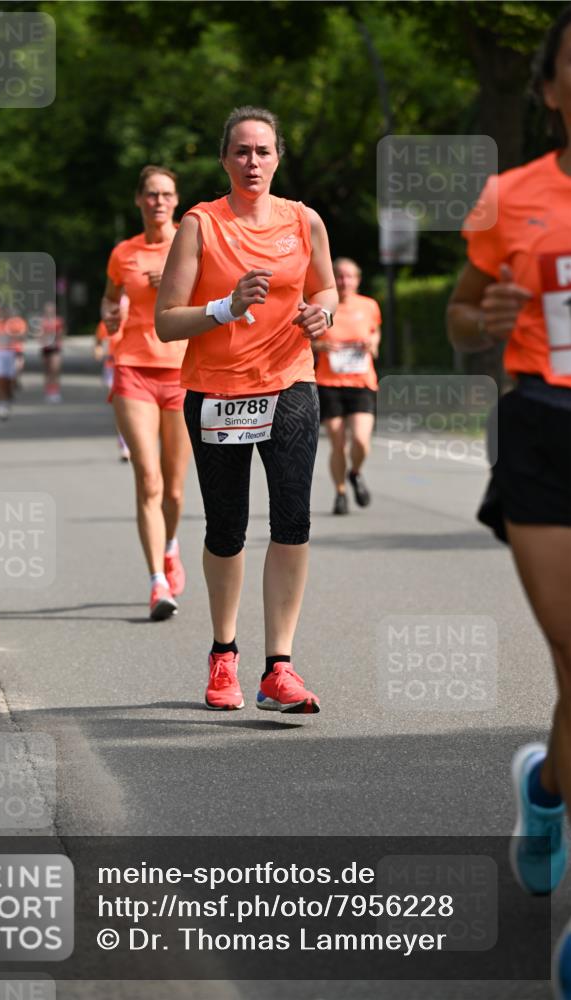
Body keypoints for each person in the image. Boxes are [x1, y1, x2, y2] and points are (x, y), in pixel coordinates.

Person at [447, 8, 571, 994]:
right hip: (545, 431)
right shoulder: (511, 198)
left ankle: (545, 790)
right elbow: (459, 312)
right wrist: (478, 316)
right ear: (551, 91)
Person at [156, 106, 337, 713]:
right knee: (227, 528)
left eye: (262, 151)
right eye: (241, 151)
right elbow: (165, 319)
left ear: (278, 157)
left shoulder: (304, 220)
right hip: (217, 391)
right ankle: (223, 653)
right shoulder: (200, 224)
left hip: (290, 383)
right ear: (224, 159)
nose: (252, 161)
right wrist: (225, 308)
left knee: (292, 520)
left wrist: (324, 313)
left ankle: (279, 668)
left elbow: (327, 287)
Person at [101, 165, 191, 621]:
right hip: (133, 366)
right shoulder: (124, 253)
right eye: (151, 194)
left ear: (176, 202)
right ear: (139, 200)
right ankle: (157, 581)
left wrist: (175, 291)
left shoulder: (191, 243)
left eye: (167, 194)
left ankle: (171, 546)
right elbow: (109, 296)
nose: (159, 201)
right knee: (148, 479)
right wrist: (110, 316)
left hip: (182, 371)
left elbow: (217, 300)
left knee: (174, 491)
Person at [313, 257, 381, 514]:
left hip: (361, 381)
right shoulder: (321, 305)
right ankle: (340, 492)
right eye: (339, 276)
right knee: (337, 440)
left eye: (349, 276)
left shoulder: (369, 306)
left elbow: (374, 332)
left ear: (358, 280)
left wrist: (372, 344)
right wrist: (320, 346)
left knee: (361, 441)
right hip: (329, 381)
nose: (344, 281)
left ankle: (355, 472)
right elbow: (304, 339)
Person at [94, 319, 131, 461]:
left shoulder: (133, 319)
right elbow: (98, 341)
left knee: (128, 407)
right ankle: (124, 444)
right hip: (112, 367)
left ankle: (129, 443)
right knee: (120, 407)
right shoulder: (107, 322)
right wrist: (98, 350)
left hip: (129, 368)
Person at [0, 309, 27, 420]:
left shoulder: (15, 324)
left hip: (10, 353)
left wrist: (14, 335)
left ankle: (8, 397)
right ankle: (2, 404)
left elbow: (21, 337)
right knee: (0, 378)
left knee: (9, 379)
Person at [36, 301, 64, 402]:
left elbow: (61, 334)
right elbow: (39, 335)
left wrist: (56, 340)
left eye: (51, 309)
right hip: (45, 349)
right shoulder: (42, 321)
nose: (49, 311)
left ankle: (55, 391)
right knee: (47, 371)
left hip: (55, 348)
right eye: (47, 309)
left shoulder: (58, 321)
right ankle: (48, 391)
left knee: (55, 370)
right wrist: (43, 340)